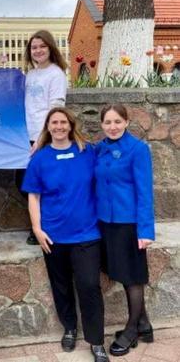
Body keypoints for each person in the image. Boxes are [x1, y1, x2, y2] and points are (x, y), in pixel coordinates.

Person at [22, 107, 109, 362]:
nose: (59, 126)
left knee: (89, 286)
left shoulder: (87, 151)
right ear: (48, 127)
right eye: (54, 122)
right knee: (61, 286)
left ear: (70, 125)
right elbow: (33, 196)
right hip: (53, 235)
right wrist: (37, 229)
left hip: (87, 234)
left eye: (63, 122)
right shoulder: (39, 159)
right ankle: (69, 328)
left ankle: (96, 341)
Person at [95, 104, 155, 357]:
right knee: (121, 272)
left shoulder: (138, 149)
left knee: (133, 277)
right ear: (101, 125)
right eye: (108, 122)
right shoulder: (98, 149)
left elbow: (145, 192)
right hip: (106, 222)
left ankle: (131, 330)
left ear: (127, 122)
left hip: (129, 223)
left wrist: (145, 230)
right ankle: (144, 325)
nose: (113, 127)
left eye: (118, 121)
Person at [19, 30, 68, 245]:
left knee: (41, 183)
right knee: (24, 183)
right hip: (26, 137)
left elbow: (56, 108)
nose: (38, 50)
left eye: (42, 46)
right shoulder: (30, 74)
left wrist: (42, 138)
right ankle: (39, 223)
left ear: (50, 48)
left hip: (44, 137)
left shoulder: (56, 74)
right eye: (34, 47)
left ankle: (43, 226)